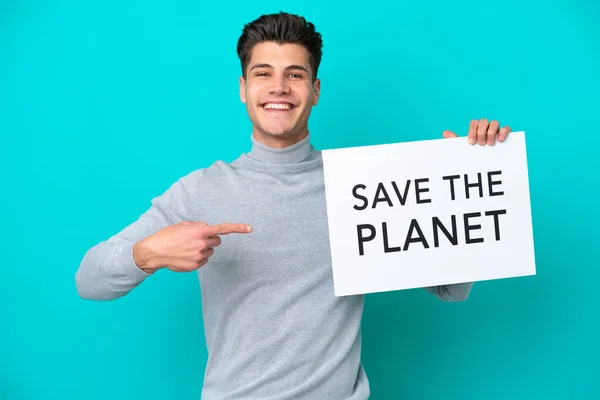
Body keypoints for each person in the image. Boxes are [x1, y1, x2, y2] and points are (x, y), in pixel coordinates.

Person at [75, 11, 512, 399]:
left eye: (295, 74)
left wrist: (462, 185)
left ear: (316, 89)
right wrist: (149, 253)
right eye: (263, 73)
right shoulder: (199, 191)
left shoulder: (362, 182)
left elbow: (450, 290)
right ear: (243, 88)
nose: (279, 87)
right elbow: (88, 279)